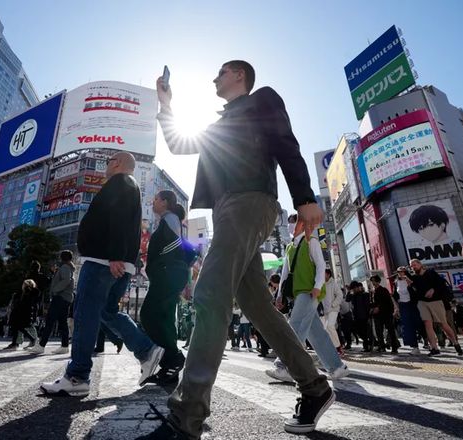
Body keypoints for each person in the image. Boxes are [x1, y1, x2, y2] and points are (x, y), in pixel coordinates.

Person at [139, 61, 330, 439]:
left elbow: (286, 143)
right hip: (227, 207)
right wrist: (167, 104)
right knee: (258, 307)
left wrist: (305, 197)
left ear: (239, 76)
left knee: (210, 294)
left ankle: (187, 413)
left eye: (221, 72)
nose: (214, 78)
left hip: (250, 200)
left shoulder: (261, 100)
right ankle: (315, 387)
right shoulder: (216, 124)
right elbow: (180, 143)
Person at [40, 152, 164, 397]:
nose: (105, 167)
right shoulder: (130, 186)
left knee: (86, 313)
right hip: (115, 261)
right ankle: (147, 351)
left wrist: (115, 255)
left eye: (108, 162)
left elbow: (117, 220)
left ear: (116, 163)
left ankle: (77, 376)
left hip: (103, 261)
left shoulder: (120, 182)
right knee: (106, 312)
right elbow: (127, 225)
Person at [267, 216, 349, 384]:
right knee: (316, 334)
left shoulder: (311, 241)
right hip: (298, 294)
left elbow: (320, 265)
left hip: (310, 292)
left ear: (303, 224)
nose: (291, 225)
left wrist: (318, 286)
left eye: (295, 222)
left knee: (294, 326)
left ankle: (283, 366)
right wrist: (280, 294)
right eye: (290, 222)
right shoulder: (290, 247)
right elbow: (285, 273)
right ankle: (336, 367)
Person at [141, 191, 191, 383]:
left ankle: (173, 357)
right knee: (164, 317)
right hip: (170, 273)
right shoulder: (169, 219)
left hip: (168, 273)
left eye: (156, 199)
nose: (153, 202)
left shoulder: (170, 218)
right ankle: (170, 368)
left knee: (149, 314)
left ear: (165, 202)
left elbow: (174, 244)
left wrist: (158, 264)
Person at [408, 259, 463, 356]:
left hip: (436, 301)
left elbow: (441, 284)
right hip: (422, 302)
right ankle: (434, 348)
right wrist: (409, 284)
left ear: (420, 264)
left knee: (443, 324)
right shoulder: (414, 277)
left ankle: (455, 343)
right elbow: (414, 291)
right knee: (427, 324)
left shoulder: (431, 273)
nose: (413, 267)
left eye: (415, 264)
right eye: (411, 266)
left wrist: (433, 289)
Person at [28, 250, 76, 355]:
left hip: (60, 297)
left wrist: (55, 290)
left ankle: (41, 346)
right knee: (62, 322)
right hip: (65, 298)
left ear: (61, 258)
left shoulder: (64, 267)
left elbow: (66, 280)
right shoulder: (67, 268)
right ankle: (64, 346)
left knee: (50, 320)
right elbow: (66, 280)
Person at [393, 267, 424, 355]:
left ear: (405, 272)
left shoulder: (412, 279)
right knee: (407, 326)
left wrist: (408, 281)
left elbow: (416, 290)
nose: (400, 273)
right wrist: (396, 308)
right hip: (403, 305)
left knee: (419, 323)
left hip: (413, 304)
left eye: (402, 272)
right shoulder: (396, 282)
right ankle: (415, 347)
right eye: (398, 272)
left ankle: (426, 339)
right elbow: (395, 295)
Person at [4, 279, 40, 350]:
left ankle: (32, 340)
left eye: (25, 284)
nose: (23, 286)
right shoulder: (22, 293)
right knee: (16, 327)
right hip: (19, 312)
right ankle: (15, 343)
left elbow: (32, 301)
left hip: (24, 313)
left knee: (20, 327)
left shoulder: (32, 292)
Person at [369, 275, 400, 354]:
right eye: (372, 281)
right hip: (377, 315)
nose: (373, 282)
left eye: (374, 281)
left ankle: (394, 347)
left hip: (386, 313)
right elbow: (372, 303)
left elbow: (387, 301)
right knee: (379, 331)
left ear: (378, 281)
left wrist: (379, 308)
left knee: (391, 330)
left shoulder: (383, 290)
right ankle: (381, 346)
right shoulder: (372, 292)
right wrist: (372, 309)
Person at [345, 281, 372, 352]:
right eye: (353, 289)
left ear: (358, 287)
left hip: (364, 317)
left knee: (365, 332)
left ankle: (367, 346)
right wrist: (349, 291)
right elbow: (347, 299)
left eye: (355, 288)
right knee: (359, 332)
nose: (354, 290)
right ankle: (368, 344)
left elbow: (367, 306)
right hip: (356, 317)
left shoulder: (365, 294)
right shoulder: (353, 295)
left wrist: (368, 316)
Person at [321, 269, 343, 354]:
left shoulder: (334, 284)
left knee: (330, 326)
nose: (323, 275)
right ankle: (333, 347)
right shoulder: (321, 284)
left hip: (333, 309)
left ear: (329, 275)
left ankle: (338, 347)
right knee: (326, 328)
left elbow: (340, 295)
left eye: (324, 274)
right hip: (325, 311)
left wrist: (333, 304)